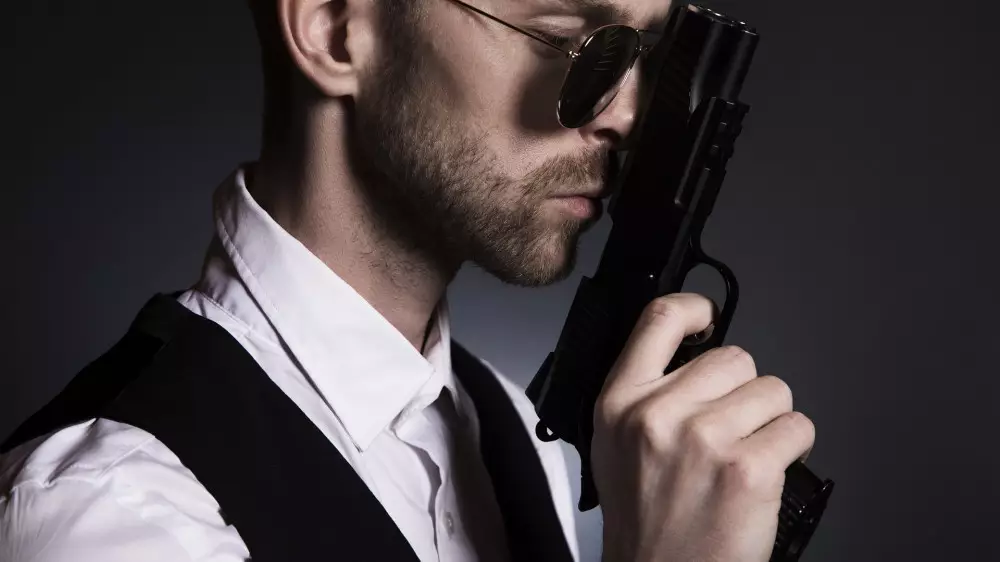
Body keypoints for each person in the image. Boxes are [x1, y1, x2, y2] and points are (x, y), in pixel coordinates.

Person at [0, 0, 816, 560]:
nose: (625, 115)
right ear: (335, 30)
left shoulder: (508, 427)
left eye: (642, 57)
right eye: (568, 40)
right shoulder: (110, 513)